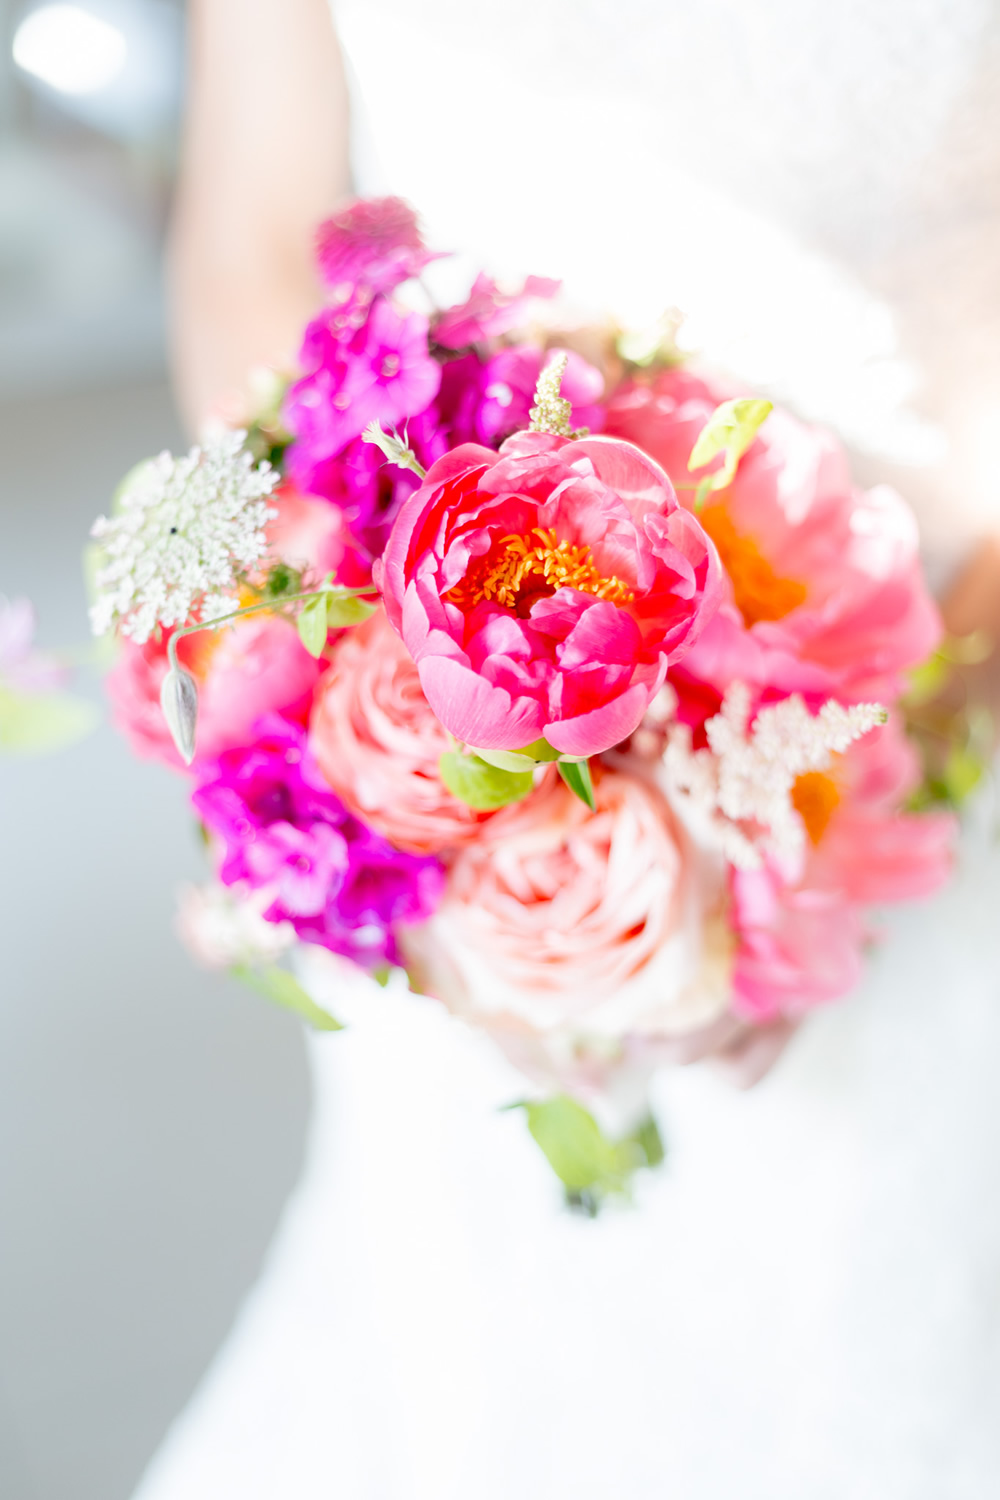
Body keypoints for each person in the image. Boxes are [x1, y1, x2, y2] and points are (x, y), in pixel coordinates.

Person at [136, 2, 1000, 1495]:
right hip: (438, 790)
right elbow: (256, 234)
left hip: (925, 730)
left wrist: (854, 757)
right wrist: (370, 713)